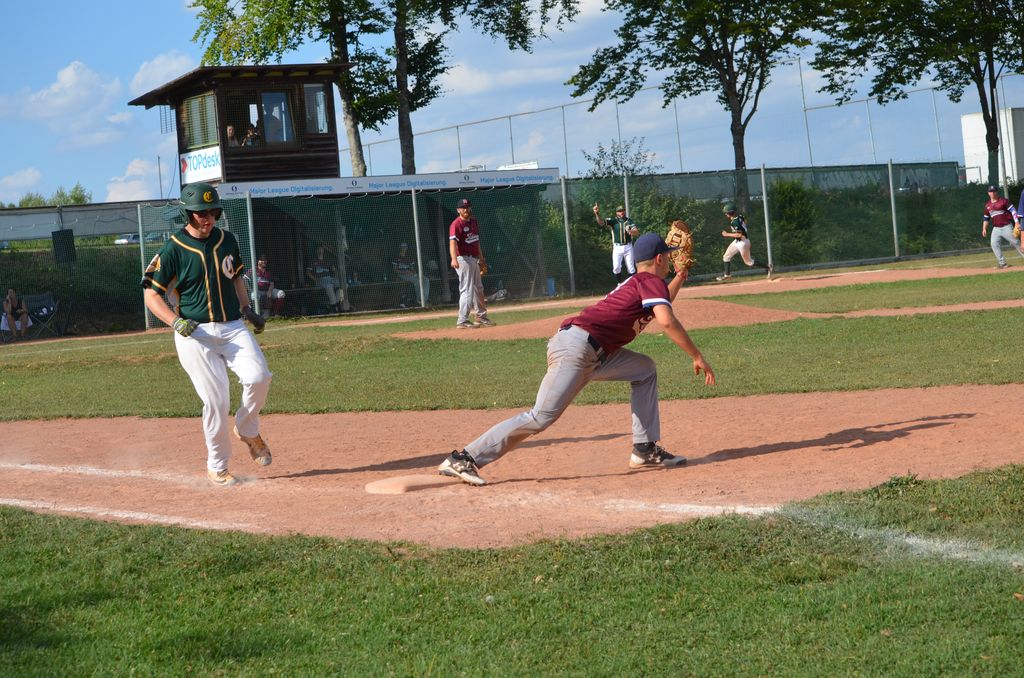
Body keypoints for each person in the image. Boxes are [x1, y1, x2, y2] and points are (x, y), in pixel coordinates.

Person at [437, 232, 716, 486]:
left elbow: (662, 304)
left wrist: (681, 275)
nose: (671, 259)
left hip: (594, 352)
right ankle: (464, 458)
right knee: (540, 417)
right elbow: (666, 320)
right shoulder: (650, 282)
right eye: (668, 255)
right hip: (577, 349)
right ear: (659, 258)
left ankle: (644, 449)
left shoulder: (642, 282)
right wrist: (697, 356)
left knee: (644, 369)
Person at [141, 182, 273, 487]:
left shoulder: (227, 240)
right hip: (195, 333)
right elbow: (151, 294)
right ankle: (217, 466)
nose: (208, 217)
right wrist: (175, 322)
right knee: (216, 401)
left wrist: (247, 308)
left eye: (213, 212)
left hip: (232, 326)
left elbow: (236, 277)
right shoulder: (173, 249)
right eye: (202, 213)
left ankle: (247, 429)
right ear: (188, 213)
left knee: (259, 377)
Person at [449, 198, 494, 328]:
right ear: (458, 210)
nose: (466, 209)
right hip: (463, 259)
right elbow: (452, 243)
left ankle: (481, 317)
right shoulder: (456, 224)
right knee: (467, 289)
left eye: (468, 207)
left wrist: (481, 259)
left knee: (478, 289)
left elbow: (476, 242)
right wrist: (453, 259)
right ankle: (462, 320)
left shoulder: (473, 222)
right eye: (463, 208)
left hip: (474, 259)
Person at [716, 202, 774, 281]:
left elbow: (739, 235)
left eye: (726, 212)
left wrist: (727, 234)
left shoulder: (735, 222)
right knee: (726, 257)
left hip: (743, 243)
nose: (725, 214)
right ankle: (727, 275)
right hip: (737, 242)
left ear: (731, 213)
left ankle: (768, 267)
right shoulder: (740, 216)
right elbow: (744, 222)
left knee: (749, 262)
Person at [593, 203, 639, 281]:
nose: (622, 212)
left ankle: (632, 284)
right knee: (616, 267)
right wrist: (597, 213)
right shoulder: (613, 221)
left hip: (628, 246)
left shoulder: (629, 221)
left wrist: (631, 231)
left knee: (631, 268)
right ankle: (619, 283)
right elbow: (601, 222)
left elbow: (636, 232)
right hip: (617, 247)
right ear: (616, 213)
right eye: (619, 211)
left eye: (623, 210)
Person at [983, 185, 1023, 269]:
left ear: (996, 192)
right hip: (996, 229)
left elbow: (1013, 211)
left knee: (1016, 243)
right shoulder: (987, 205)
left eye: (994, 191)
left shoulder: (1004, 201)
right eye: (991, 191)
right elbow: (986, 218)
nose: (992, 193)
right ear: (988, 193)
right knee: (994, 244)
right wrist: (984, 228)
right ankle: (1002, 263)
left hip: (1006, 227)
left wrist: (1016, 222)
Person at [307, 245, 343, 313]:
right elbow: (308, 272)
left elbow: (335, 270)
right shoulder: (313, 261)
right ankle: (334, 307)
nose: (320, 250)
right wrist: (315, 279)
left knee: (344, 285)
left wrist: (335, 275)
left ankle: (335, 304)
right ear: (316, 250)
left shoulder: (327, 261)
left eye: (322, 249)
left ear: (323, 250)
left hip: (330, 279)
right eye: (319, 249)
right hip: (320, 280)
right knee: (329, 286)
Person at [392, 242, 429, 306]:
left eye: (405, 247)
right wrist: (406, 272)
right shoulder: (396, 257)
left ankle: (424, 299)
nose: (404, 249)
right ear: (400, 248)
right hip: (402, 274)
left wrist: (414, 273)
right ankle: (419, 299)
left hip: (410, 274)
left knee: (426, 280)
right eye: (402, 247)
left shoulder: (409, 257)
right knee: (416, 281)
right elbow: (395, 270)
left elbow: (412, 269)